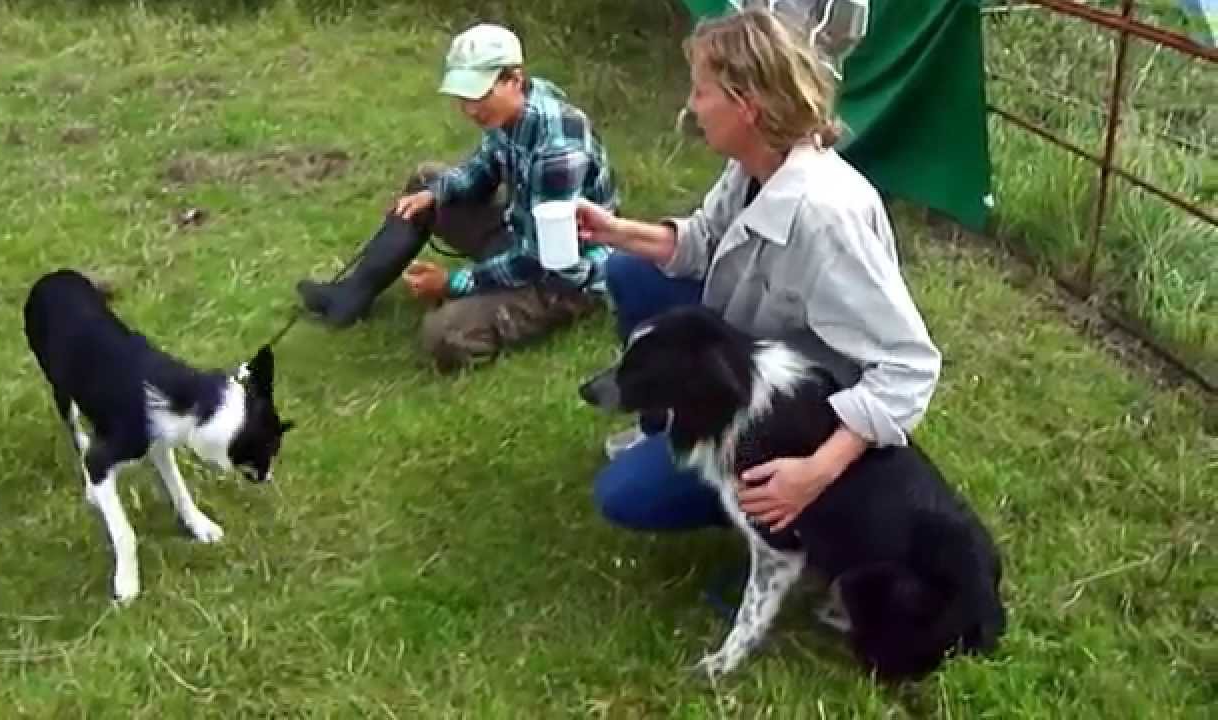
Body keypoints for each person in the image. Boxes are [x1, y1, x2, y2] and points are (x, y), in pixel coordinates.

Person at [575, 8, 941, 533]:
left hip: (800, 405)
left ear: (746, 106)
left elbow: (909, 366)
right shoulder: (755, 163)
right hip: (753, 354)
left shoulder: (824, 216)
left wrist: (816, 470)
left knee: (627, 497)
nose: (691, 105)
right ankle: (667, 414)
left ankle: (793, 511)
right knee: (631, 270)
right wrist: (613, 231)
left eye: (701, 92)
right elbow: (703, 240)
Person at [296, 23, 618, 372]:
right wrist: (433, 195)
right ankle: (351, 296)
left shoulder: (557, 147)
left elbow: (540, 257)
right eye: (464, 97)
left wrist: (453, 283)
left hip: (562, 276)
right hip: (521, 233)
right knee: (427, 180)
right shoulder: (513, 113)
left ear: (513, 78)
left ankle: (539, 317)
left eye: (479, 96)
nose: (470, 109)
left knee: (442, 334)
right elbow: (482, 169)